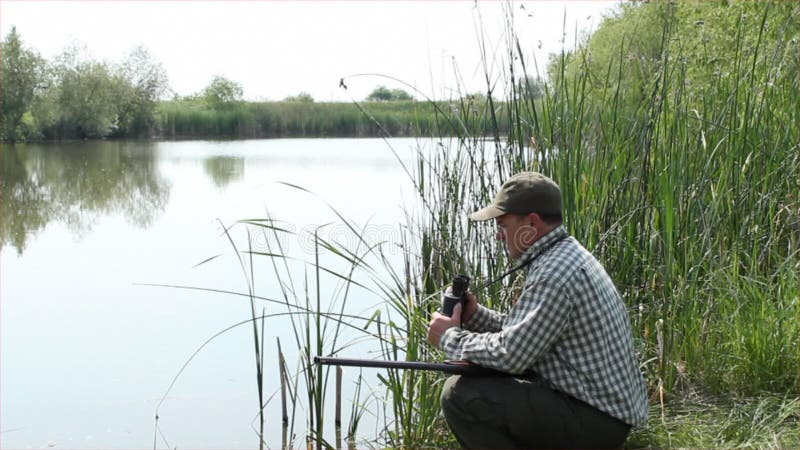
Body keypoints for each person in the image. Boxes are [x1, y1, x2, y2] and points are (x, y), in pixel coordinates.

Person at [427, 172, 648, 449]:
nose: (498, 234)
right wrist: (475, 316)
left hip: (597, 423)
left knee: (459, 395)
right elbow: (530, 334)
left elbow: (511, 356)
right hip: (600, 412)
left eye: (502, 224)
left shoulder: (554, 273)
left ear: (531, 222)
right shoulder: (564, 254)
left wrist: (448, 337)